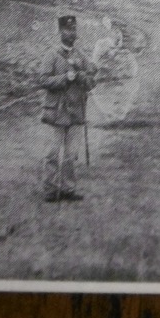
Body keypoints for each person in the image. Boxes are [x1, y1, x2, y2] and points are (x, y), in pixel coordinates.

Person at [37, 13, 97, 203]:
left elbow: (92, 77)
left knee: (71, 155)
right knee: (52, 153)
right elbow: (43, 80)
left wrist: (82, 76)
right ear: (60, 32)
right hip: (56, 112)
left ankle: (68, 189)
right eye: (67, 30)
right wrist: (65, 78)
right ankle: (49, 190)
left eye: (73, 30)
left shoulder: (80, 55)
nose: (71, 34)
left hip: (76, 112)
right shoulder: (51, 55)